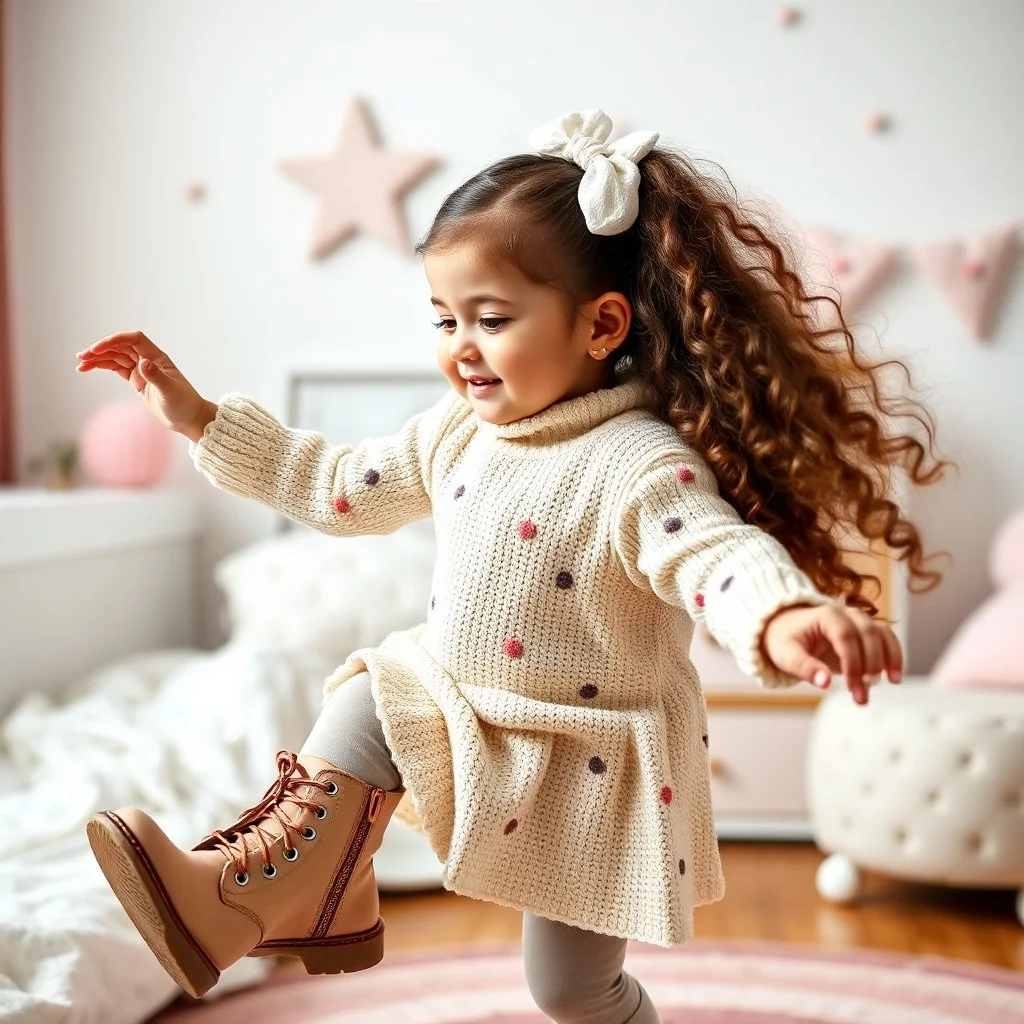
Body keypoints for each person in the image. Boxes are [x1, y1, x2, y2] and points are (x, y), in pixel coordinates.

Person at [75, 108, 946, 1024]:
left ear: (601, 324)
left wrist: (781, 613)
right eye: (444, 318)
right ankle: (267, 887)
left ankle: (335, 900)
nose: (460, 346)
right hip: (461, 708)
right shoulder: (456, 432)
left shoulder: (638, 461)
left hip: (585, 761)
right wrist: (200, 420)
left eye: (490, 319)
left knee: (570, 991)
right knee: (373, 688)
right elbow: (334, 486)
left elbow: (711, 550)